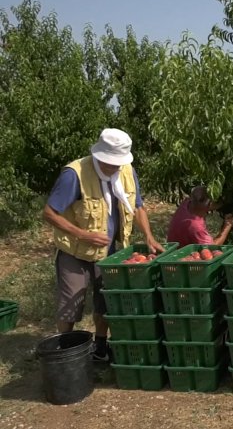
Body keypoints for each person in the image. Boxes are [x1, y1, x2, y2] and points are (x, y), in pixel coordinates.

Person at [43, 128, 164, 362]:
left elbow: (137, 206)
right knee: (71, 304)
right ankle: (64, 350)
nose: (116, 168)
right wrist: (83, 234)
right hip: (75, 252)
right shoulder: (75, 174)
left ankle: (100, 347)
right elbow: (49, 213)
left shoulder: (126, 171)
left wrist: (148, 235)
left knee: (105, 301)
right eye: (111, 163)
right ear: (98, 156)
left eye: (119, 163)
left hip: (108, 253)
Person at [167, 186, 233, 248]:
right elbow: (211, 247)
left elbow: (201, 201)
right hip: (182, 258)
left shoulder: (187, 202)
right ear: (208, 204)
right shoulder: (196, 226)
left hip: (173, 247)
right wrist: (227, 226)